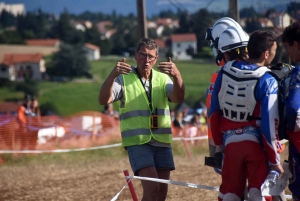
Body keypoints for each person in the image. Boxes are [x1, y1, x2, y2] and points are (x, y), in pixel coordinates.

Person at [98, 38, 185, 201]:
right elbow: (103, 100)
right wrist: (112, 74)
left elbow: (178, 98)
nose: (146, 60)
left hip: (162, 141)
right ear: (135, 55)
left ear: (156, 58)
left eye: (151, 56)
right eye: (143, 55)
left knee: (161, 193)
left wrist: (177, 76)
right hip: (138, 143)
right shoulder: (123, 79)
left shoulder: (163, 79)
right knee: (152, 190)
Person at [210, 30, 284, 201]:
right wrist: (275, 160)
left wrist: (219, 147)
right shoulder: (268, 80)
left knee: (229, 195)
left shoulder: (224, 72)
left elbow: (213, 112)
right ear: (266, 54)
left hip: (230, 145)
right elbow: (269, 124)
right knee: (259, 194)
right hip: (256, 146)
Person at [204, 17, 244, 157]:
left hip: (226, 142)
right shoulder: (258, 70)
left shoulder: (221, 75)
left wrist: (218, 148)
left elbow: (213, 112)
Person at [281, 21, 300, 201]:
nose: (287, 52)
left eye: (288, 46)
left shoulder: (298, 73)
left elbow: (294, 110)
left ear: (296, 44)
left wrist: (286, 129)